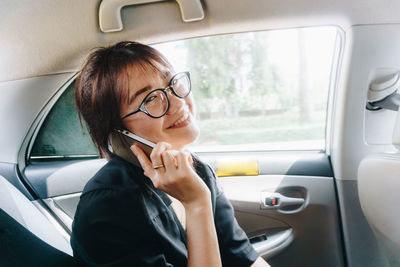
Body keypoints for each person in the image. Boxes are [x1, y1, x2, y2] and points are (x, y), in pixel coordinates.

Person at [71, 41, 270, 267]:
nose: (178, 101)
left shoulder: (197, 169)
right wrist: (197, 204)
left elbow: (242, 256)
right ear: (119, 132)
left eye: (172, 82)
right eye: (150, 99)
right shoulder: (107, 206)